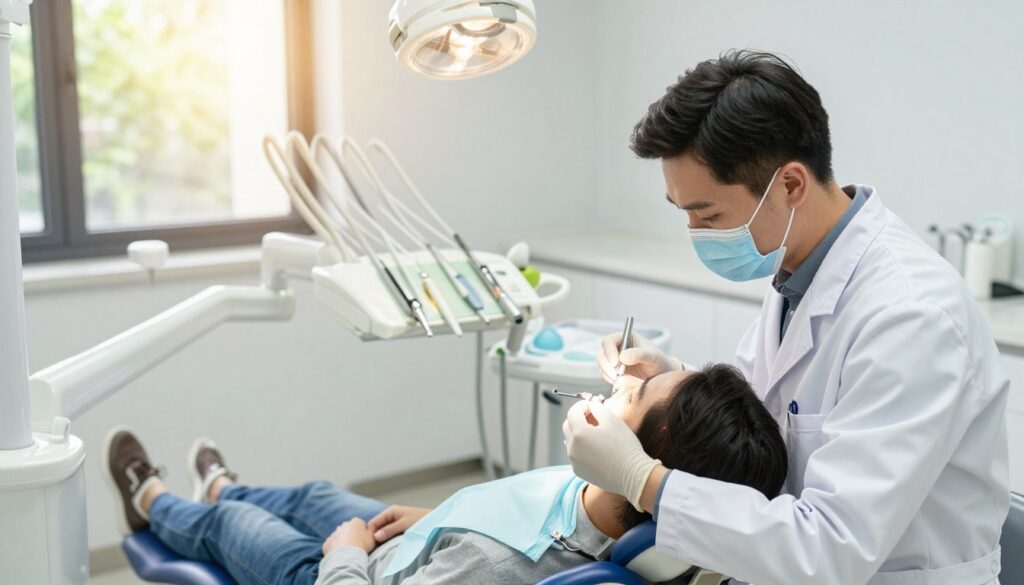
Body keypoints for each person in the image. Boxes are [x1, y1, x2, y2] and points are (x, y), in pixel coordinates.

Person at [562, 50, 1010, 585]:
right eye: (682, 211)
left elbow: (831, 550)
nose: (695, 233)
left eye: (708, 214)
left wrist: (641, 478)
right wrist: (668, 379)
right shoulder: (799, 271)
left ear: (790, 185)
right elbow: (778, 415)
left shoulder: (911, 316)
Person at [104, 364, 786, 585]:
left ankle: (152, 497)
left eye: (631, 397)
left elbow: (490, 551)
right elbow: (507, 508)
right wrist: (435, 520)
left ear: (635, 461)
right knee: (314, 490)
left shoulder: (496, 566)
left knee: (234, 529)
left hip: (348, 573)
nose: (617, 386)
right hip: (421, 536)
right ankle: (223, 481)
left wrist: (343, 556)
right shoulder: (600, 496)